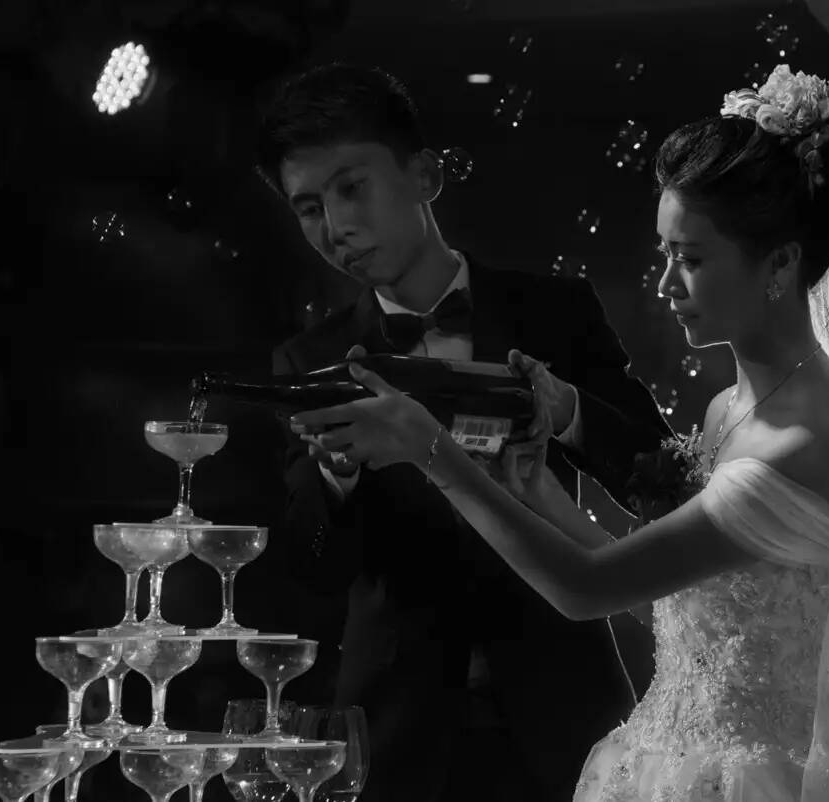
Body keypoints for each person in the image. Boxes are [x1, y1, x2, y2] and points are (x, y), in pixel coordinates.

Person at [291, 64, 829, 801]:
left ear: (781, 262)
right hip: (638, 757)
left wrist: (430, 447)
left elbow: (587, 588)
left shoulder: (799, 444)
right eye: (664, 255)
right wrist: (540, 494)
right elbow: (675, 601)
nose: (665, 284)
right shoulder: (730, 408)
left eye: (691, 259)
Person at [255, 62, 673, 802]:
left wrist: (565, 408)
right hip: (397, 728)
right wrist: (335, 473)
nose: (336, 226)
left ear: (426, 175)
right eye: (309, 208)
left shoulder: (554, 312)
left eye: (352, 188)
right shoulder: (309, 361)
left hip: (566, 706)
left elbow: (657, 474)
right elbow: (312, 570)